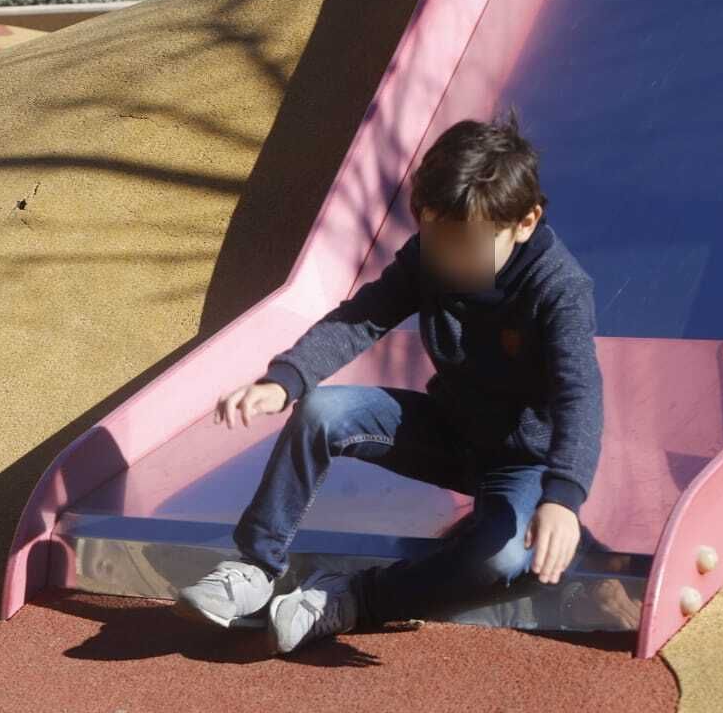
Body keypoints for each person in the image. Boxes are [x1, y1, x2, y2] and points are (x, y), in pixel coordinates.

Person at [177, 114, 602, 655]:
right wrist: (285, 380)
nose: (448, 258)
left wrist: (563, 497)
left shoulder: (558, 289)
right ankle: (254, 568)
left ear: (524, 222)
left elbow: (579, 394)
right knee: (320, 412)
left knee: (500, 559)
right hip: (449, 431)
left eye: (467, 244)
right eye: (436, 239)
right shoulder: (430, 257)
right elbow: (362, 317)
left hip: (522, 460)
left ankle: (353, 598)